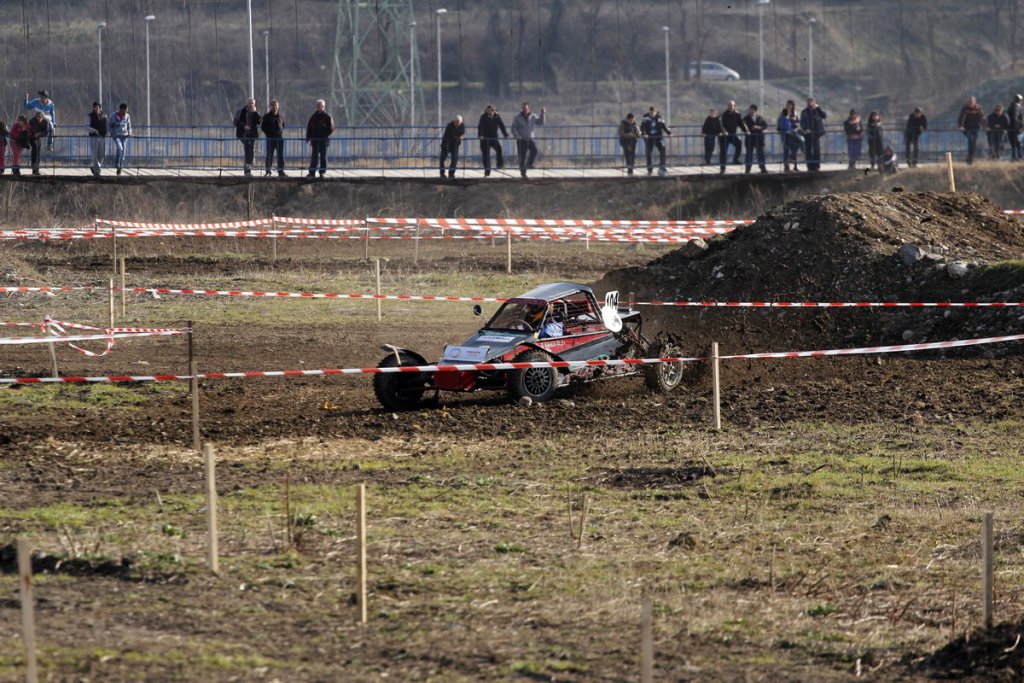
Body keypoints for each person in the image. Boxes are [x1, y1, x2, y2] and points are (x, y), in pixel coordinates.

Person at [511, 102, 545, 178]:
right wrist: (516, 135)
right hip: (521, 140)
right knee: (522, 157)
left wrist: (542, 113)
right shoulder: (517, 117)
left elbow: (540, 122)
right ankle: (523, 172)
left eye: (526, 108)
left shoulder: (533, 116)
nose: (524, 110)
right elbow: (514, 127)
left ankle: (529, 164)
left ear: (528, 108)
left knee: (534, 150)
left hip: (530, 138)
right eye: (523, 108)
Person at [305, 99, 335, 178]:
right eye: (317, 105)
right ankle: (312, 172)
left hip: (323, 140)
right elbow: (309, 127)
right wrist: (308, 137)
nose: (318, 107)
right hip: (315, 140)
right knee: (314, 157)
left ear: (323, 106)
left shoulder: (327, 116)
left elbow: (331, 128)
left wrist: (324, 134)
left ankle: (322, 172)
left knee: (323, 157)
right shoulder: (313, 116)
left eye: (320, 105)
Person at [477, 105, 508, 176]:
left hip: (494, 138)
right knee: (486, 155)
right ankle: (487, 170)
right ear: (487, 110)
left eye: (492, 110)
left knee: (499, 149)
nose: (490, 111)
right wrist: (480, 135)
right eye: (489, 110)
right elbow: (480, 126)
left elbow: (501, 125)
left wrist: (505, 134)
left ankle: (499, 164)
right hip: (485, 139)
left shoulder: (497, 116)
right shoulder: (483, 117)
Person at [234, 98, 262, 176]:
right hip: (243, 134)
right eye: (250, 103)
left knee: (251, 151)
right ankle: (247, 170)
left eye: (253, 103)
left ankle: (248, 167)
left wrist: (255, 113)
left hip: (252, 135)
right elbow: (236, 121)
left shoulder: (255, 112)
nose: (251, 105)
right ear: (247, 103)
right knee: (248, 149)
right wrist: (244, 126)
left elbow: (259, 121)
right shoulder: (241, 111)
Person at [640, 106, 671, 176]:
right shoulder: (645, 117)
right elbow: (643, 127)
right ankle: (650, 169)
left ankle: (662, 166)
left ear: (655, 112)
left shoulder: (659, 118)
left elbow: (663, 126)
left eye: (653, 113)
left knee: (663, 148)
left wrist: (669, 133)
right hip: (649, 137)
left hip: (658, 137)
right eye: (650, 112)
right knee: (649, 152)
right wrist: (644, 134)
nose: (651, 114)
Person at [799, 97, 827, 171]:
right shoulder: (804, 112)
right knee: (808, 150)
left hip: (816, 133)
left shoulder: (818, 111)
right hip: (808, 134)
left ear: (814, 102)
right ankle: (809, 166)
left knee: (816, 150)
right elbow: (802, 122)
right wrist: (805, 129)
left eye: (811, 102)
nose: (810, 104)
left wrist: (818, 108)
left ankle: (816, 165)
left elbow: (824, 116)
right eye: (808, 102)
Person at [261, 99, 286, 177]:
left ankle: (281, 171)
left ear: (278, 106)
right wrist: (269, 133)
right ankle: (268, 171)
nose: (275, 107)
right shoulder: (267, 116)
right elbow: (263, 127)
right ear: (271, 107)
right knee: (269, 155)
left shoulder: (281, 116)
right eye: (273, 105)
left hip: (279, 138)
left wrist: (280, 132)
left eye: (276, 105)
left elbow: (283, 125)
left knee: (280, 155)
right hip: (270, 138)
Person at [958, 96, 985, 165]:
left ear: (975, 102)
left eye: (972, 102)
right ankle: (969, 159)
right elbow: (961, 118)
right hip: (967, 128)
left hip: (975, 128)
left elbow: (982, 118)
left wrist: (985, 126)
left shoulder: (978, 108)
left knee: (973, 144)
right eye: (969, 102)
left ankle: (970, 158)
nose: (970, 103)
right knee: (971, 139)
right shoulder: (965, 109)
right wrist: (961, 126)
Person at [742, 104, 768, 174]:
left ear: (756, 110)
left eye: (753, 109)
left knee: (760, 154)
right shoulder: (746, 118)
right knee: (749, 154)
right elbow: (743, 126)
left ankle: (762, 168)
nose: (752, 111)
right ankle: (748, 169)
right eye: (751, 109)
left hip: (758, 138)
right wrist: (747, 130)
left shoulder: (760, 117)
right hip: (750, 139)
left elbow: (765, 126)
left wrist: (758, 127)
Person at [777, 100, 801, 172]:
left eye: (790, 105)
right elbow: (780, 123)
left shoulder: (795, 113)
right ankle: (786, 166)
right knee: (786, 149)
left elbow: (798, 123)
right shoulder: (783, 113)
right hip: (785, 134)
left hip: (793, 133)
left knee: (795, 148)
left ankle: (795, 165)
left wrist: (796, 126)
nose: (789, 106)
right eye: (788, 105)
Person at [439, 114, 465, 179]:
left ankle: (451, 174)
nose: (457, 123)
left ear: (461, 122)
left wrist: (458, 136)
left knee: (455, 159)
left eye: (458, 122)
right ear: (454, 121)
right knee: (442, 159)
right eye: (456, 121)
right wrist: (457, 137)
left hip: (455, 145)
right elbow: (450, 135)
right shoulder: (449, 125)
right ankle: (442, 173)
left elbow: (462, 132)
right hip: (446, 144)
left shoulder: (462, 126)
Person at [85, 101, 107, 177]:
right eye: (95, 107)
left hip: (102, 137)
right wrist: (94, 130)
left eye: (98, 107)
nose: (96, 109)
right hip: (93, 137)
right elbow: (86, 126)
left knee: (102, 155)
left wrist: (107, 132)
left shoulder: (104, 116)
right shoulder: (90, 116)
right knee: (95, 155)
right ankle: (97, 171)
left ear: (100, 108)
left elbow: (106, 125)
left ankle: (94, 167)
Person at [721, 101, 746, 166]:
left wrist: (746, 131)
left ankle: (735, 159)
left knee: (739, 144)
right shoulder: (724, 114)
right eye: (729, 105)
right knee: (723, 150)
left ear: (734, 106)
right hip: (725, 136)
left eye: (731, 105)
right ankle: (723, 165)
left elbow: (742, 124)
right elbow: (721, 125)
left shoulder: (737, 115)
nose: (730, 107)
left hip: (733, 135)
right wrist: (724, 131)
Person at [110, 103, 132, 175]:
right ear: (121, 109)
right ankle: (117, 161)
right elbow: (110, 125)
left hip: (125, 136)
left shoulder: (127, 116)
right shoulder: (114, 116)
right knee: (120, 149)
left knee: (123, 153)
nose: (125, 112)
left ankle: (120, 167)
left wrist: (130, 132)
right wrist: (112, 132)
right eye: (125, 110)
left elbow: (129, 125)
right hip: (117, 136)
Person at [27, 111, 48, 175]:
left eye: (40, 117)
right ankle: (33, 164)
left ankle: (36, 170)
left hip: (38, 137)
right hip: (31, 137)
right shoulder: (32, 121)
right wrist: (35, 133)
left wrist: (39, 133)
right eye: (37, 117)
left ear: (42, 117)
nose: (38, 119)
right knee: (35, 148)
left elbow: (46, 132)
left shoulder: (45, 122)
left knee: (38, 152)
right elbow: (30, 129)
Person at [1009, 94, 1023, 161]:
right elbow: (1015, 118)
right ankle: (1016, 156)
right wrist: (1019, 125)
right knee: (1016, 143)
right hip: (1016, 128)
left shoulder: (1012, 106)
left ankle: (1016, 156)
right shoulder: (1016, 107)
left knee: (1015, 143)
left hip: (1013, 128)